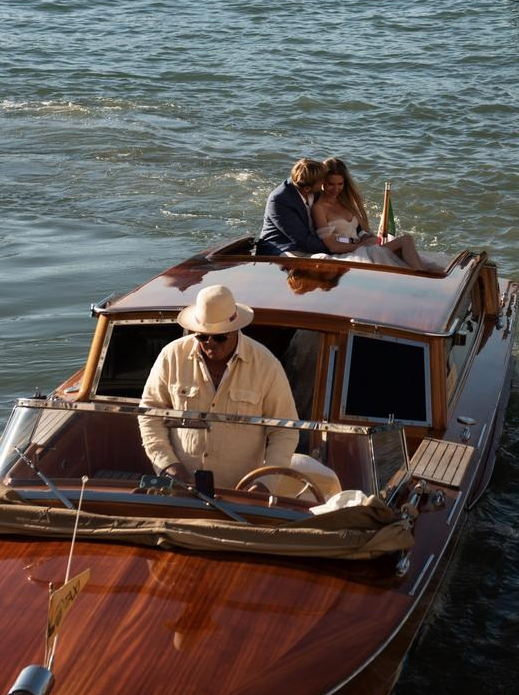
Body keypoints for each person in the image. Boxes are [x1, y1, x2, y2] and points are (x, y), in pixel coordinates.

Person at [138, 283, 298, 489]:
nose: (210, 343)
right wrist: (167, 464)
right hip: (180, 488)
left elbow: (285, 430)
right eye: (202, 336)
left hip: (242, 493)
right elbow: (150, 414)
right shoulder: (171, 357)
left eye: (220, 337)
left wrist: (266, 482)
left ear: (236, 329)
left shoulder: (267, 365)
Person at [311, 158, 439, 271]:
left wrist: (368, 238)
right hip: (349, 254)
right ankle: (424, 277)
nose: (336, 189)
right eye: (331, 184)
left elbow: (359, 231)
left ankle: (426, 273)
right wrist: (359, 246)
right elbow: (332, 246)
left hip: (364, 247)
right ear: (322, 182)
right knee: (406, 241)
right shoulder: (319, 208)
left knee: (408, 248)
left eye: (340, 184)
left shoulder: (345, 202)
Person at [256, 158, 331, 256]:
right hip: (280, 248)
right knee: (323, 259)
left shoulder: (314, 191)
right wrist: (333, 247)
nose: (324, 183)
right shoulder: (280, 200)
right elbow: (303, 240)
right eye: (322, 181)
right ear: (307, 188)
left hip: (307, 244)